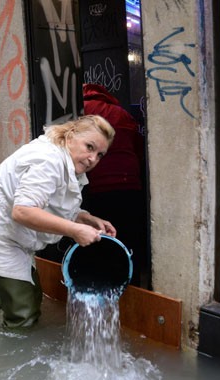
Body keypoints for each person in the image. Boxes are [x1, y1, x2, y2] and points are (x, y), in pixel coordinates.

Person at [0, 115, 117, 329]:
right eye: (89, 147)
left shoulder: (64, 159)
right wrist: (75, 230)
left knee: (31, 295)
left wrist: (84, 217)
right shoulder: (48, 160)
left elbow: (49, 203)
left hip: (10, 236)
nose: (92, 158)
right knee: (24, 313)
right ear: (71, 136)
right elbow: (23, 211)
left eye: (100, 154)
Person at [80, 83, 148, 288]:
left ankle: (99, 285)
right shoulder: (121, 113)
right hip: (129, 184)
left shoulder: (82, 111)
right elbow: (139, 147)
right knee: (127, 238)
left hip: (98, 185)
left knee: (98, 237)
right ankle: (131, 286)